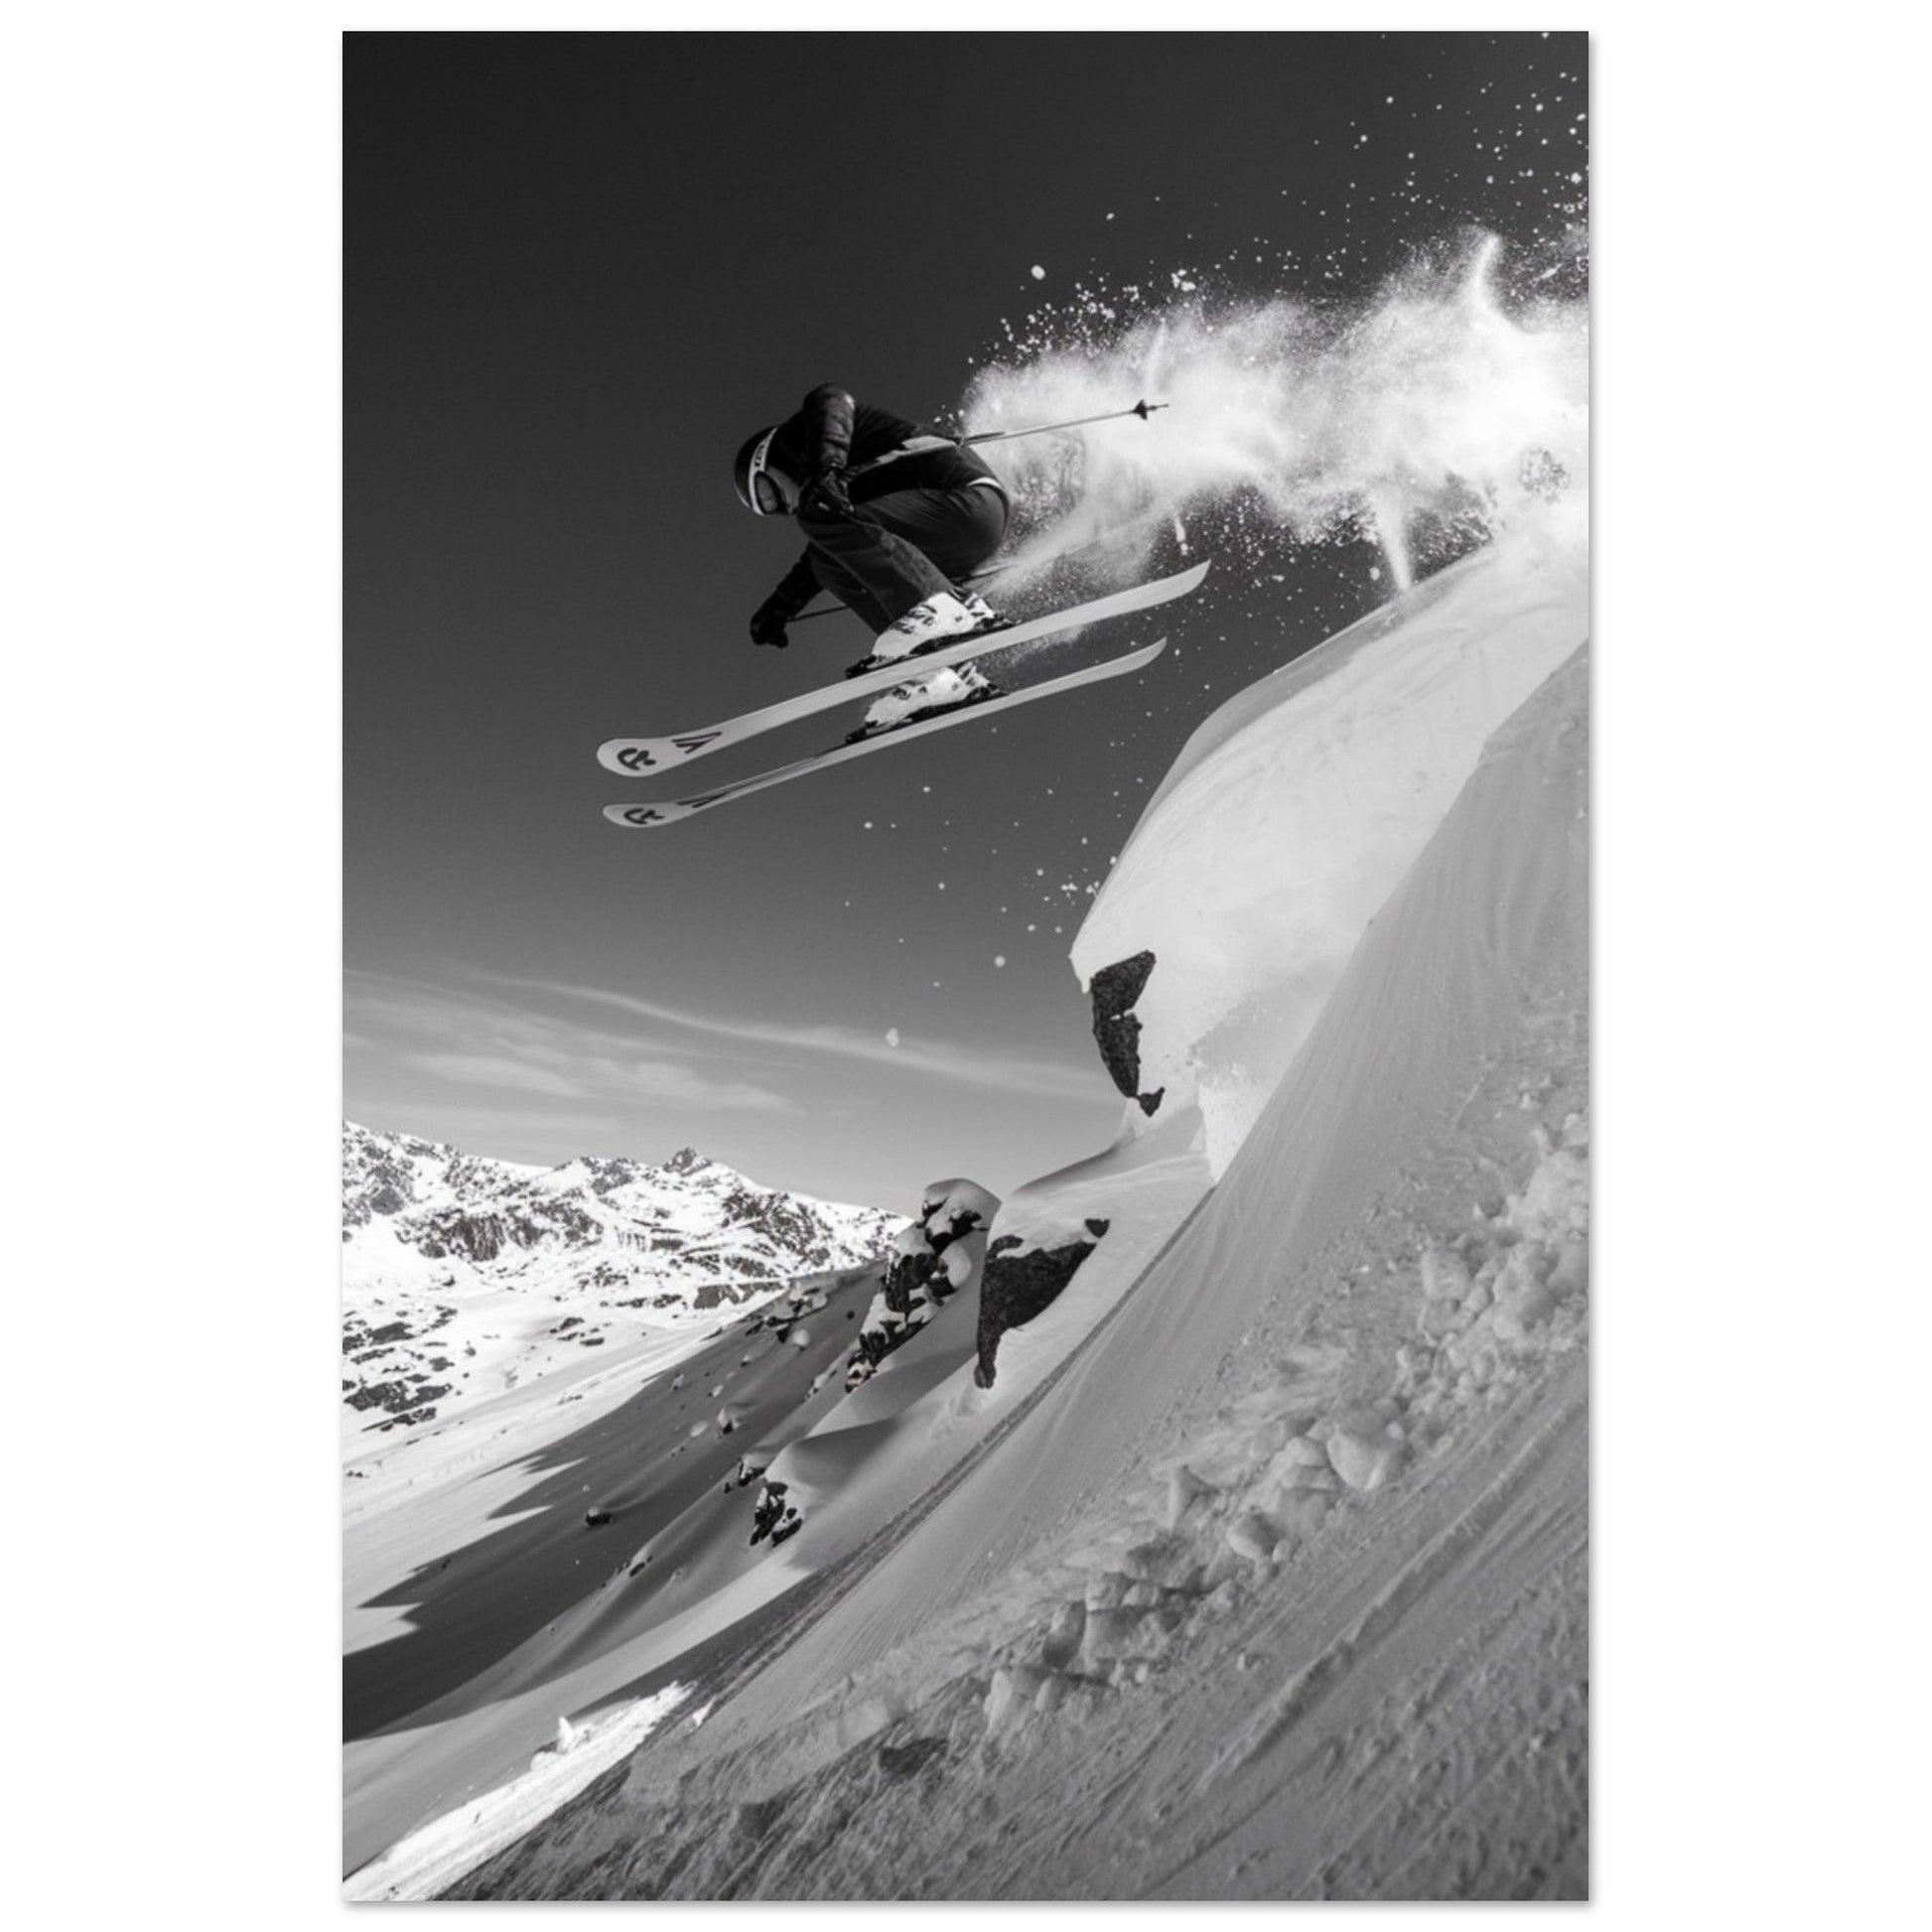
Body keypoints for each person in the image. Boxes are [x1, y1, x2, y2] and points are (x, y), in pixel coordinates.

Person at [733, 385, 1013, 693]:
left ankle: (941, 610)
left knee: (817, 513)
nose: (784, 508)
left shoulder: (799, 437)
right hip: (951, 530)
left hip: (965, 501)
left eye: (768, 495)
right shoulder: (835, 492)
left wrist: (827, 466)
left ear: (767, 462)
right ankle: (939, 676)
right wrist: (779, 607)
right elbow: (823, 554)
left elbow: (830, 398)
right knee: (827, 561)